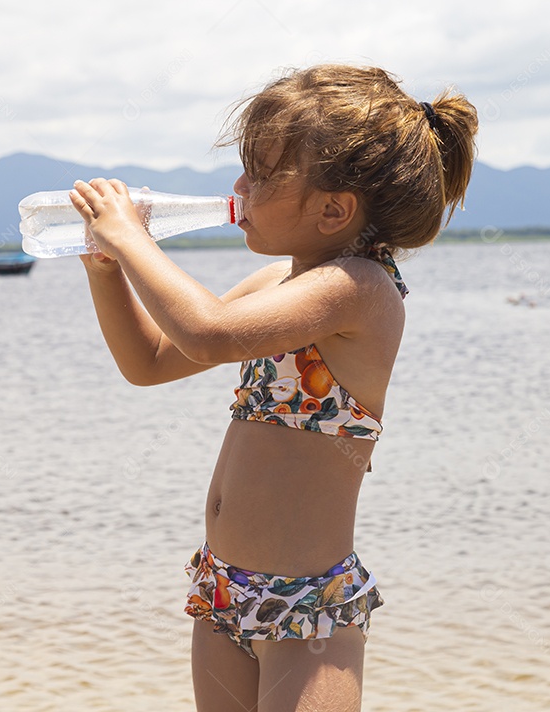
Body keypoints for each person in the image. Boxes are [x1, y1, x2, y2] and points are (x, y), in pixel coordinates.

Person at [71, 64, 478, 712]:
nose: (237, 188)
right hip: (224, 592)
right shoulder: (273, 287)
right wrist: (107, 268)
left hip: (308, 612)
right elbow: (148, 360)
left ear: (333, 209)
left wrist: (132, 234)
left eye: (259, 175)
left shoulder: (360, 292)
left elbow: (208, 332)